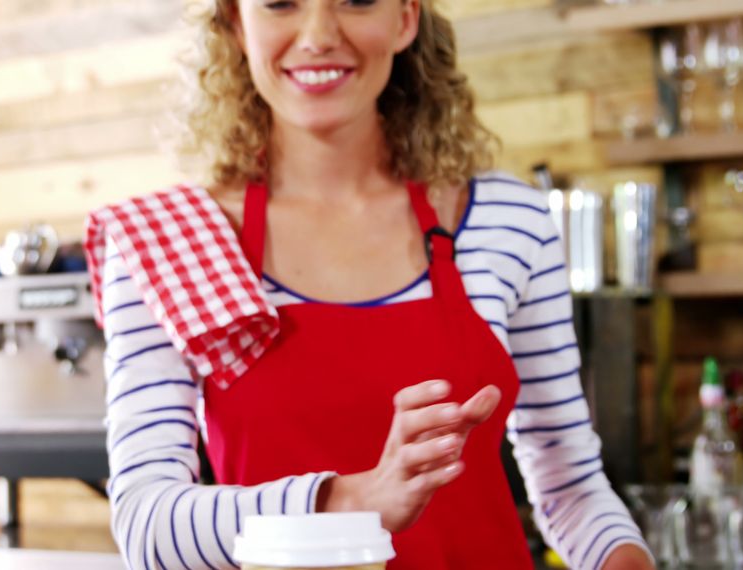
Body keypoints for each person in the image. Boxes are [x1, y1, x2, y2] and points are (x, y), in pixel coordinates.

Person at [84, 0, 654, 568]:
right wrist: (354, 500)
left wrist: (626, 560)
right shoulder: (172, 243)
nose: (318, 36)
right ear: (236, 23)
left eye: (356, 0)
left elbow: (570, 486)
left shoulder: (509, 222)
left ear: (406, 17)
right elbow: (146, 523)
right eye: (281, 3)